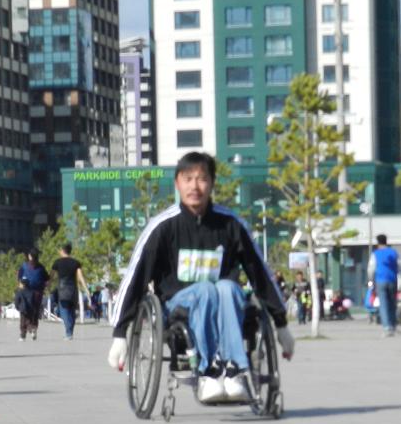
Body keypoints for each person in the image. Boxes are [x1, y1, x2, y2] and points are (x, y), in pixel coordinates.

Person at [107, 151, 294, 404]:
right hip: (178, 306)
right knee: (206, 290)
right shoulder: (163, 226)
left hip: (227, 303)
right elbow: (136, 277)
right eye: (188, 179)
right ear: (177, 183)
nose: (195, 186)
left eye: (202, 179)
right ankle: (209, 370)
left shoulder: (231, 225)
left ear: (212, 183)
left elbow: (259, 273)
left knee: (227, 288)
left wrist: (281, 323)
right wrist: (120, 332)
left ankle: (235, 370)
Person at [50, 242, 88, 340]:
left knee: (64, 311)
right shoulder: (76, 262)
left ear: (62, 251)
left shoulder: (57, 262)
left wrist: (48, 285)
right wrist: (86, 289)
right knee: (71, 311)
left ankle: (68, 333)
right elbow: (80, 277)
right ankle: (70, 332)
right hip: (73, 288)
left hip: (62, 289)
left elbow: (51, 276)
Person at [367, 235, 399, 336]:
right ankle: (393, 325)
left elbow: (371, 268)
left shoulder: (376, 253)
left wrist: (371, 280)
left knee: (383, 305)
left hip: (380, 280)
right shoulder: (393, 252)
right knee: (392, 304)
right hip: (393, 279)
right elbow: (399, 266)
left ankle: (387, 327)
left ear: (378, 242)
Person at [16, 250, 48, 341]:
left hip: (25, 292)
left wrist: (20, 286)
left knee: (24, 312)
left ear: (30, 256)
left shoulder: (24, 266)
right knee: (35, 311)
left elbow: (19, 277)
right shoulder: (41, 267)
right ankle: (33, 327)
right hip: (37, 293)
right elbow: (46, 279)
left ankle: (23, 334)